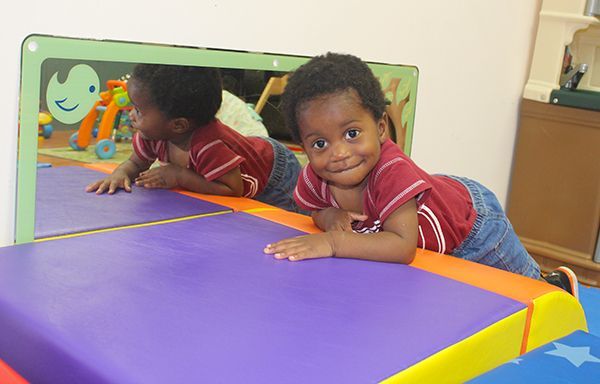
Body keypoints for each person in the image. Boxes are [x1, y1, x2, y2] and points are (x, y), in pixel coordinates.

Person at [263, 52, 579, 298]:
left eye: (352, 133)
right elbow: (313, 209)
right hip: (431, 215)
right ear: (303, 146)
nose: (338, 153)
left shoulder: (390, 172)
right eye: (320, 143)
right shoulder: (317, 176)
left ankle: (557, 285)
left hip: (471, 224)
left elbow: (402, 247)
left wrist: (333, 242)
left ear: (381, 127)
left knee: (526, 292)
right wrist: (328, 216)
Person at [85, 64, 304, 214]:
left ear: (178, 124)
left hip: (274, 174)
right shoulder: (153, 134)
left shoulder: (209, 145)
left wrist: (179, 175)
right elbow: (136, 162)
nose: (132, 115)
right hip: (240, 162)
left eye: (139, 110)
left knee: (284, 224)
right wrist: (121, 173)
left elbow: (233, 189)